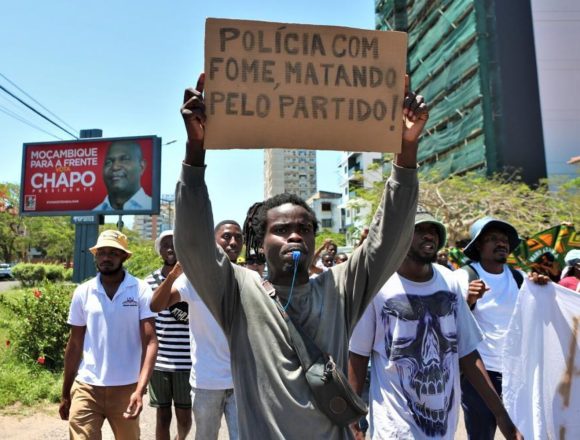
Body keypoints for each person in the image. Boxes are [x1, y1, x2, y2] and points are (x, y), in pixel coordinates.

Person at [173, 73, 427, 438]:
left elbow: (388, 240)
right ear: (260, 243)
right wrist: (195, 149)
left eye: (304, 228)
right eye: (281, 229)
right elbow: (194, 243)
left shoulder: (340, 288)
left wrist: (406, 147)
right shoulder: (238, 291)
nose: (295, 235)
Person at [348, 210, 522, 439]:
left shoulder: (448, 281)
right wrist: (352, 422)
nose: (428, 235)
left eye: (433, 231)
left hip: (444, 428)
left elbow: (468, 352)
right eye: (418, 230)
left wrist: (501, 415)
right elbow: (358, 356)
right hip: (395, 428)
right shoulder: (378, 285)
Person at [454, 217, 548, 439]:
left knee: (521, 434)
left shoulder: (519, 278)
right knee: (481, 435)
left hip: (516, 373)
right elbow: (450, 323)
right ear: (478, 245)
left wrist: (544, 289)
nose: (502, 243)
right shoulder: (463, 277)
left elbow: (537, 317)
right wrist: (468, 301)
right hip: (478, 374)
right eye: (493, 239)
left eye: (505, 240)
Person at [59, 230, 158, 439]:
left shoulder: (140, 290)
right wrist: (65, 392)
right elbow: (75, 344)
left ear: (124, 256)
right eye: (101, 252)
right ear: (95, 256)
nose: (106, 258)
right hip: (87, 387)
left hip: (127, 388)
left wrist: (140, 388)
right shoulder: (83, 291)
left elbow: (150, 342)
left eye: (113, 253)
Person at [151, 220, 244, 440]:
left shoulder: (248, 276)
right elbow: (156, 305)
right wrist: (174, 274)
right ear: (213, 241)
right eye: (226, 236)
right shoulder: (194, 278)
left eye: (238, 237)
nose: (233, 242)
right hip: (207, 381)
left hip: (242, 380)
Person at [144, 230, 192, 440]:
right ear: (159, 250)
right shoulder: (149, 281)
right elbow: (146, 319)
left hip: (188, 361)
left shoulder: (194, 279)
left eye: (175, 243)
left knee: (184, 418)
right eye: (165, 245)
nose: (171, 248)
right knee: (162, 416)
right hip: (160, 361)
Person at [94, 140, 152, 211]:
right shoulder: (96, 211)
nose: (115, 167)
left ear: (142, 166)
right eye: (108, 162)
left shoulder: (150, 205)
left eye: (124, 159)